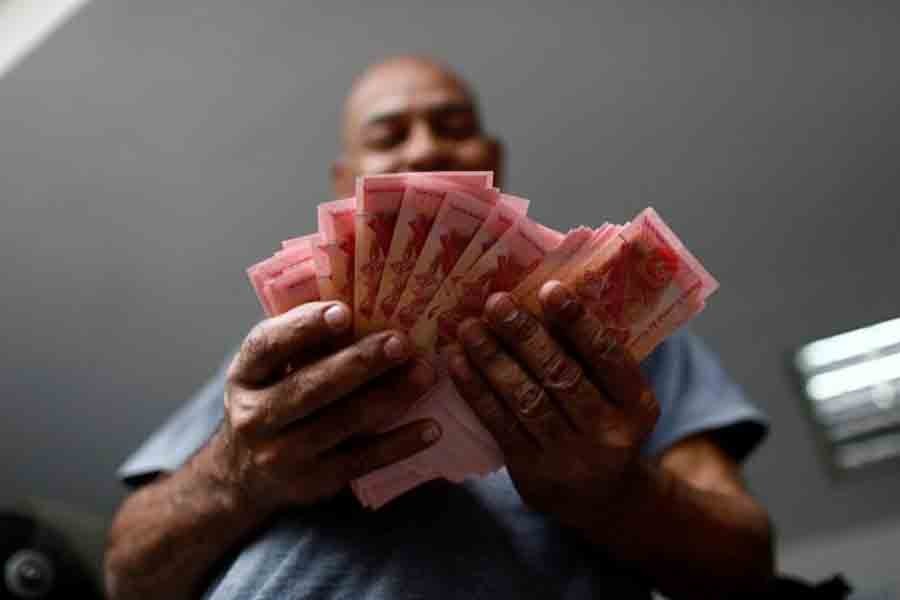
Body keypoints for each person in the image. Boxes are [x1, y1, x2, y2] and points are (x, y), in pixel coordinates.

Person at [104, 56, 773, 600]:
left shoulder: (609, 335)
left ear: (492, 156)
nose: (425, 148)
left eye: (452, 125)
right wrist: (238, 473)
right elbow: (127, 578)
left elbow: (745, 569)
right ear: (345, 180)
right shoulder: (279, 353)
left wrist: (614, 494)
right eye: (388, 135)